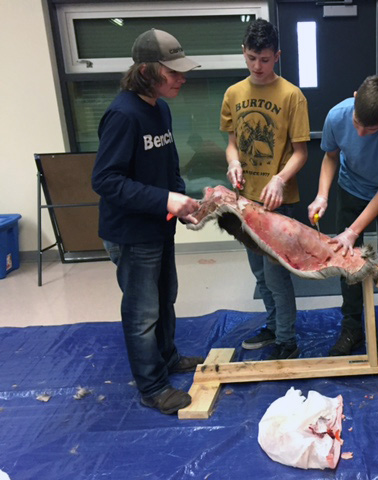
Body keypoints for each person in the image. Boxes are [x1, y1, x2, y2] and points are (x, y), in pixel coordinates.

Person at [92, 29, 204, 415]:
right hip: (131, 234)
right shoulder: (123, 115)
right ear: (145, 71)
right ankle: (152, 387)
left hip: (159, 226)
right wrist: (164, 199)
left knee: (165, 298)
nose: (181, 78)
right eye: (172, 72)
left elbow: (168, 164)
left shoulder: (160, 107)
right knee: (142, 314)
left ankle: (167, 358)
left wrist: (181, 203)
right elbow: (105, 180)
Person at [221, 19, 310, 360]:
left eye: (265, 59)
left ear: (277, 56)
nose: (257, 66)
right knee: (259, 274)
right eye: (251, 58)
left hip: (278, 202)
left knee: (276, 277)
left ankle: (287, 341)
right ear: (244, 54)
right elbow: (231, 144)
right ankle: (273, 326)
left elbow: (301, 153)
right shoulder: (234, 94)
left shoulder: (292, 96)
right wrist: (233, 162)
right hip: (246, 201)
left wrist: (279, 178)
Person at [307, 75, 378, 356]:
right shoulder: (336, 116)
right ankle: (352, 328)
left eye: (372, 128)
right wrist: (322, 195)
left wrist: (353, 230)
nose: (362, 133)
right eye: (357, 124)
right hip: (351, 188)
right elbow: (330, 157)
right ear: (355, 97)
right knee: (347, 259)